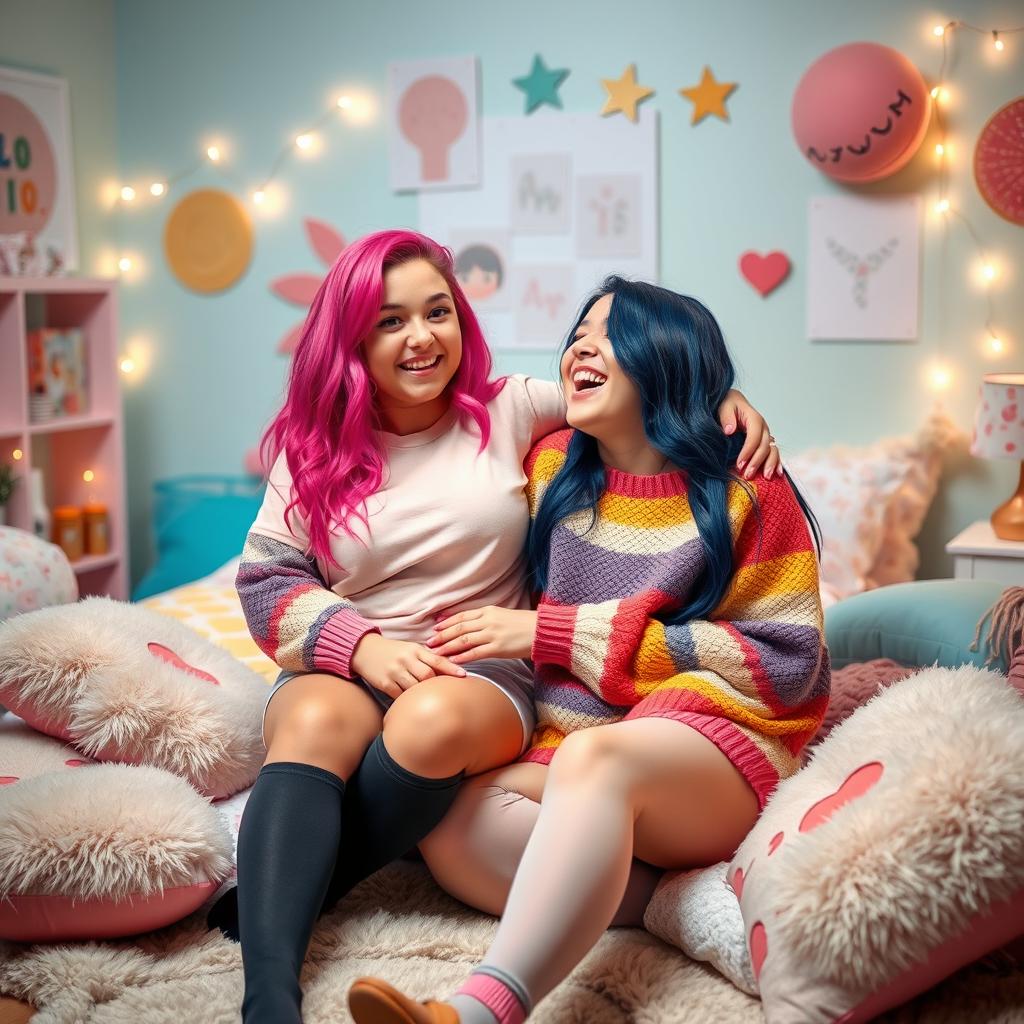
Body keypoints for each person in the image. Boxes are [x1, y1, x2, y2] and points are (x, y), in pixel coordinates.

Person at [209, 231, 779, 1024]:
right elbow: (267, 581)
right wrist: (362, 648)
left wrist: (723, 398)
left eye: (438, 312)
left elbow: (636, 390)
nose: (421, 338)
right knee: (307, 721)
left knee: (432, 723)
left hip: (475, 667)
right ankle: (269, 997)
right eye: (390, 321)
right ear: (351, 340)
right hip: (348, 654)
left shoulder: (512, 409)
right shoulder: (310, 452)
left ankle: (311, 879)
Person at [347, 277, 830, 1024]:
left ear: (665, 358)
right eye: (578, 333)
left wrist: (556, 634)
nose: (580, 346)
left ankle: (480, 1010)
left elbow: (790, 663)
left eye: (610, 333)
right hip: (580, 744)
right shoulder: (548, 469)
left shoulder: (748, 490)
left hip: (721, 747)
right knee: (449, 822)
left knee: (594, 762)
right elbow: (427, 446)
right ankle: (664, 901)